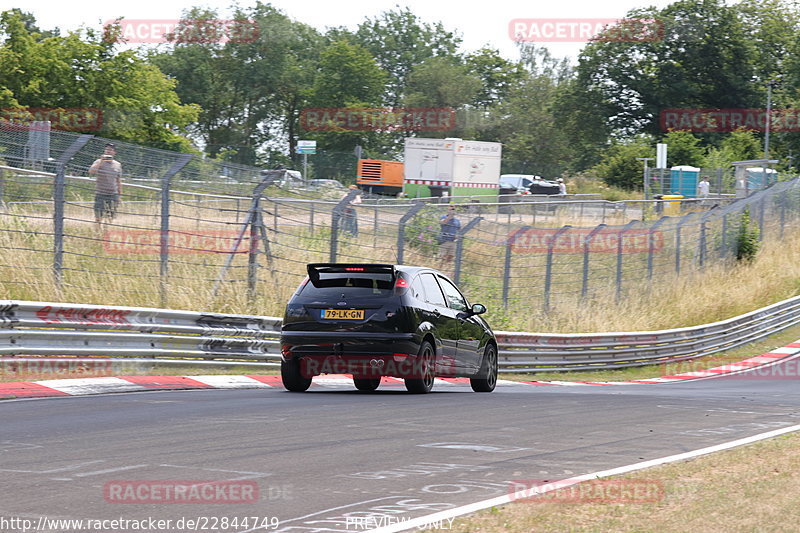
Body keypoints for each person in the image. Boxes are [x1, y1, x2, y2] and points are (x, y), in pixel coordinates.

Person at [88, 143, 122, 225]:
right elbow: (91, 171)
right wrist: (101, 161)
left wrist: (119, 195)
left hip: (113, 194)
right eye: (107, 149)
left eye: (110, 150)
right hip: (100, 193)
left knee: (110, 217)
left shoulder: (117, 164)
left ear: (114, 152)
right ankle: (97, 233)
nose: (108, 151)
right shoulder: (98, 161)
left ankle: (106, 233)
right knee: (98, 217)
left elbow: (118, 180)